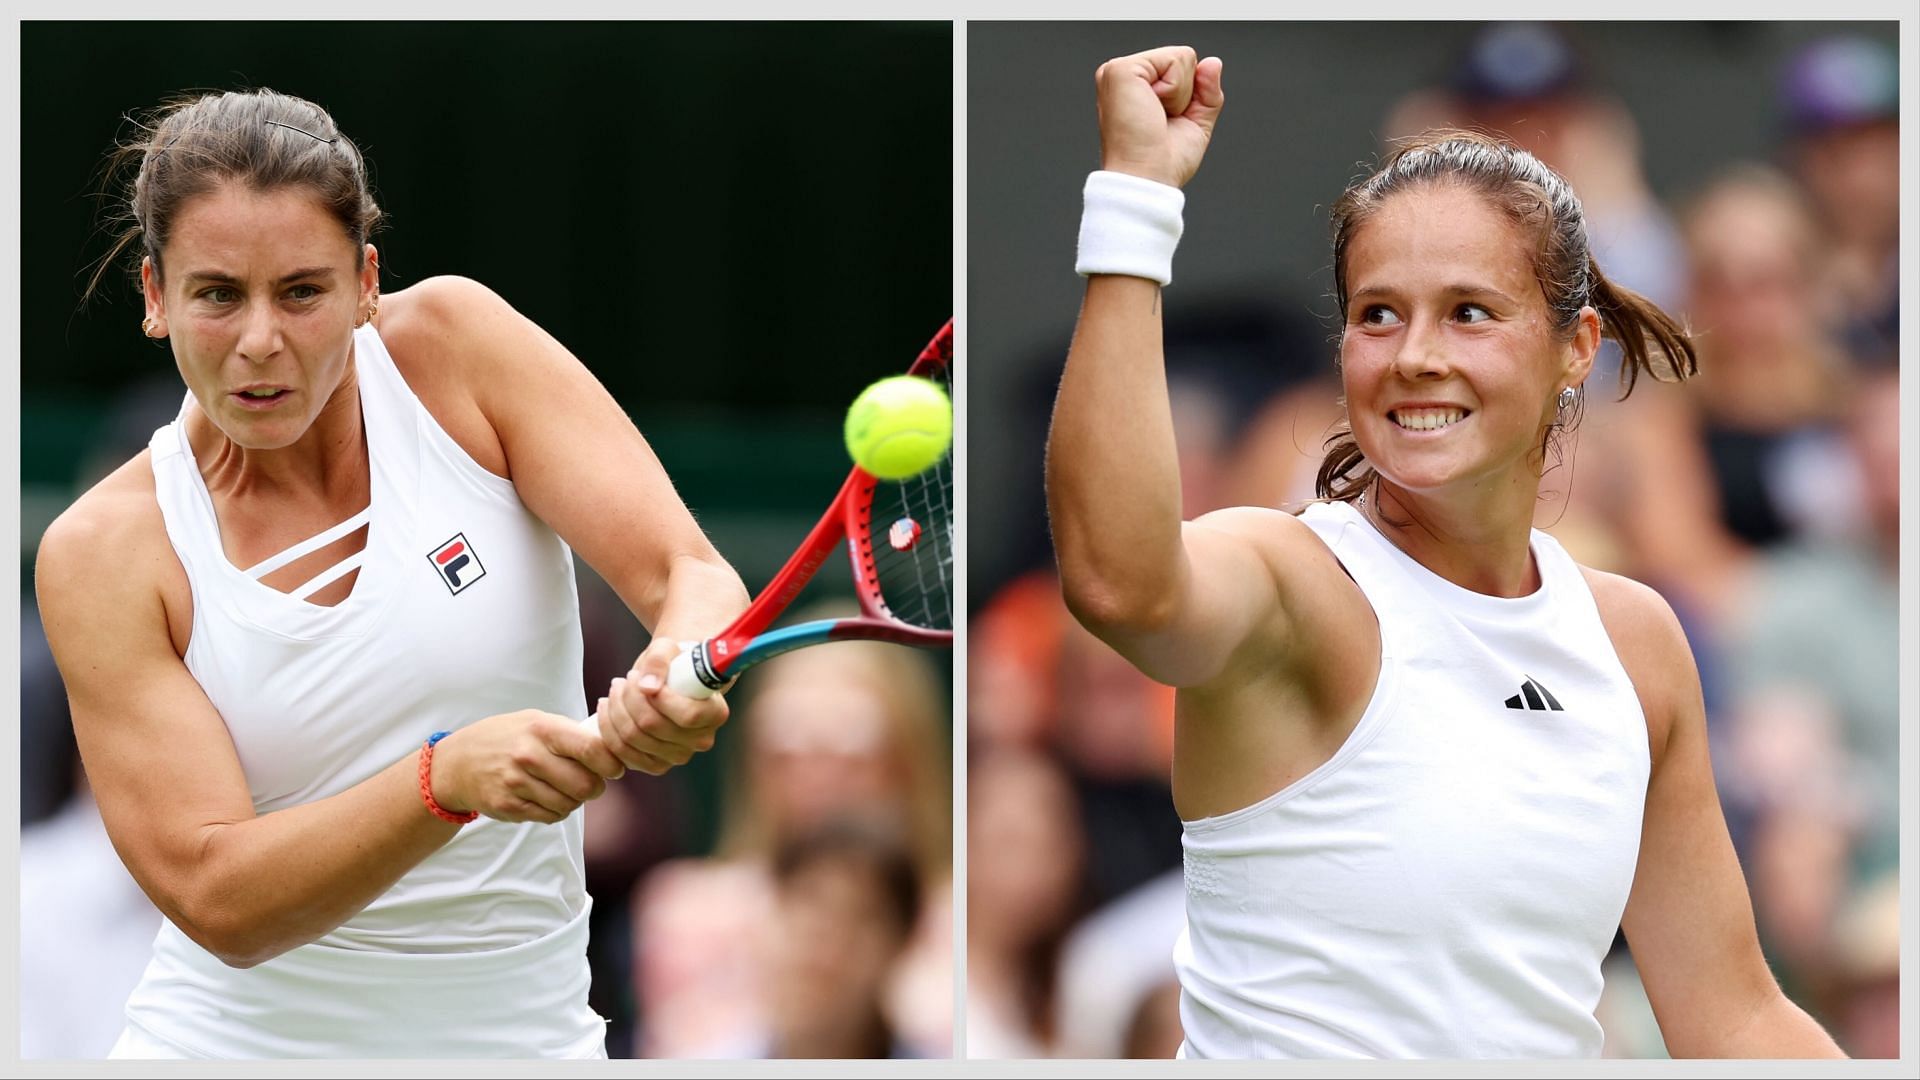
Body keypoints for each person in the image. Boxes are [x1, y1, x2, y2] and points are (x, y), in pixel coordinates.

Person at [1047, 46, 1845, 1059]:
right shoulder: (1294, 585)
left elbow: (1733, 1016)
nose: (1416, 353)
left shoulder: (1637, 644)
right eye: (1378, 314)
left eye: (1469, 312)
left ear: (1576, 349)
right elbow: (1118, 579)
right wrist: (1133, 204)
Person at [34, 88, 749, 1059]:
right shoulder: (104, 552)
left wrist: (679, 670)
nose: (259, 341)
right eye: (216, 295)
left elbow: (688, 574)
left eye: (301, 291)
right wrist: (443, 780)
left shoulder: (458, 350)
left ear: (366, 281)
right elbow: (219, 894)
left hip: (525, 1045)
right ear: (156, 297)